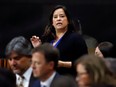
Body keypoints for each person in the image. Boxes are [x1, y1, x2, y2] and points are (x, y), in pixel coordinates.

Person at [30, 5, 88, 76]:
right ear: (52, 22)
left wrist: (63, 64)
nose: (58, 19)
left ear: (68, 20)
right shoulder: (48, 39)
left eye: (62, 16)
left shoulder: (76, 38)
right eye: (55, 17)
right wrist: (38, 48)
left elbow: (85, 62)